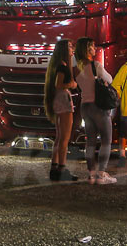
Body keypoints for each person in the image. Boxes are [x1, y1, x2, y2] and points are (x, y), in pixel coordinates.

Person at [73, 37, 116, 184]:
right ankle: (102, 174)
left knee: (90, 141)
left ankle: (91, 174)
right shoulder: (95, 65)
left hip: (85, 106)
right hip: (98, 106)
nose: (95, 49)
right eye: (92, 47)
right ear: (87, 49)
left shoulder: (76, 68)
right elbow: (109, 79)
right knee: (106, 140)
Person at [43, 38, 78, 182]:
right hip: (63, 102)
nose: (72, 50)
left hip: (58, 101)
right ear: (64, 50)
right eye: (70, 47)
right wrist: (72, 84)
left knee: (59, 137)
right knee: (64, 138)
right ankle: (62, 168)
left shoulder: (56, 65)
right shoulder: (63, 67)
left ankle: (55, 167)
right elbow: (59, 84)